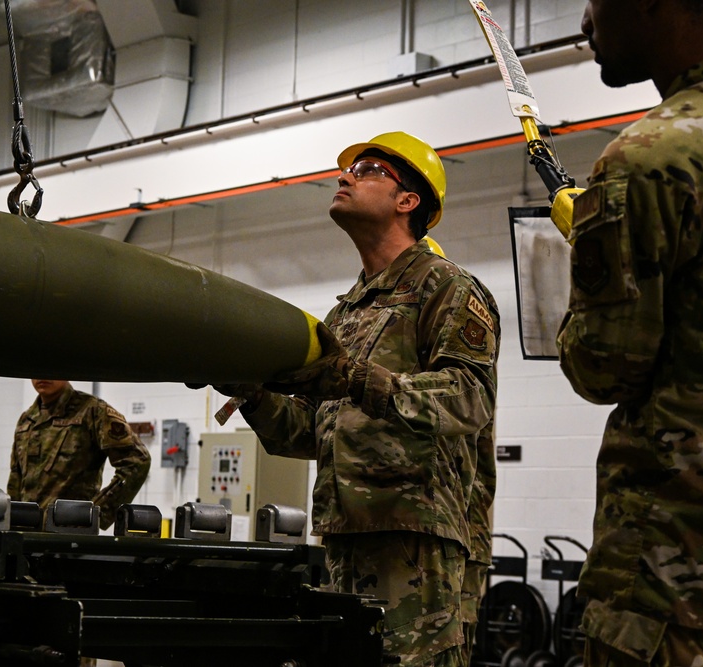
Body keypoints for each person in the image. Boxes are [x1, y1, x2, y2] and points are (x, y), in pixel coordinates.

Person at [214, 132, 500, 666]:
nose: (344, 177)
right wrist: (250, 392)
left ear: (407, 200)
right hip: (344, 536)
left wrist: (353, 378)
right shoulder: (347, 312)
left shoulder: (447, 287)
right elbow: (307, 432)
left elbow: (467, 400)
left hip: (412, 539)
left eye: (367, 170)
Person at [557, 1, 703, 665]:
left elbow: (603, 366)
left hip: (676, 583)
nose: (586, 22)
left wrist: (587, 256)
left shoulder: (650, 157)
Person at [8, 380, 151, 530]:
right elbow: (16, 478)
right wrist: (12, 521)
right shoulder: (27, 420)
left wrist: (96, 513)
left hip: (71, 537)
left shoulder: (92, 411)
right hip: (26, 535)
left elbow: (137, 461)